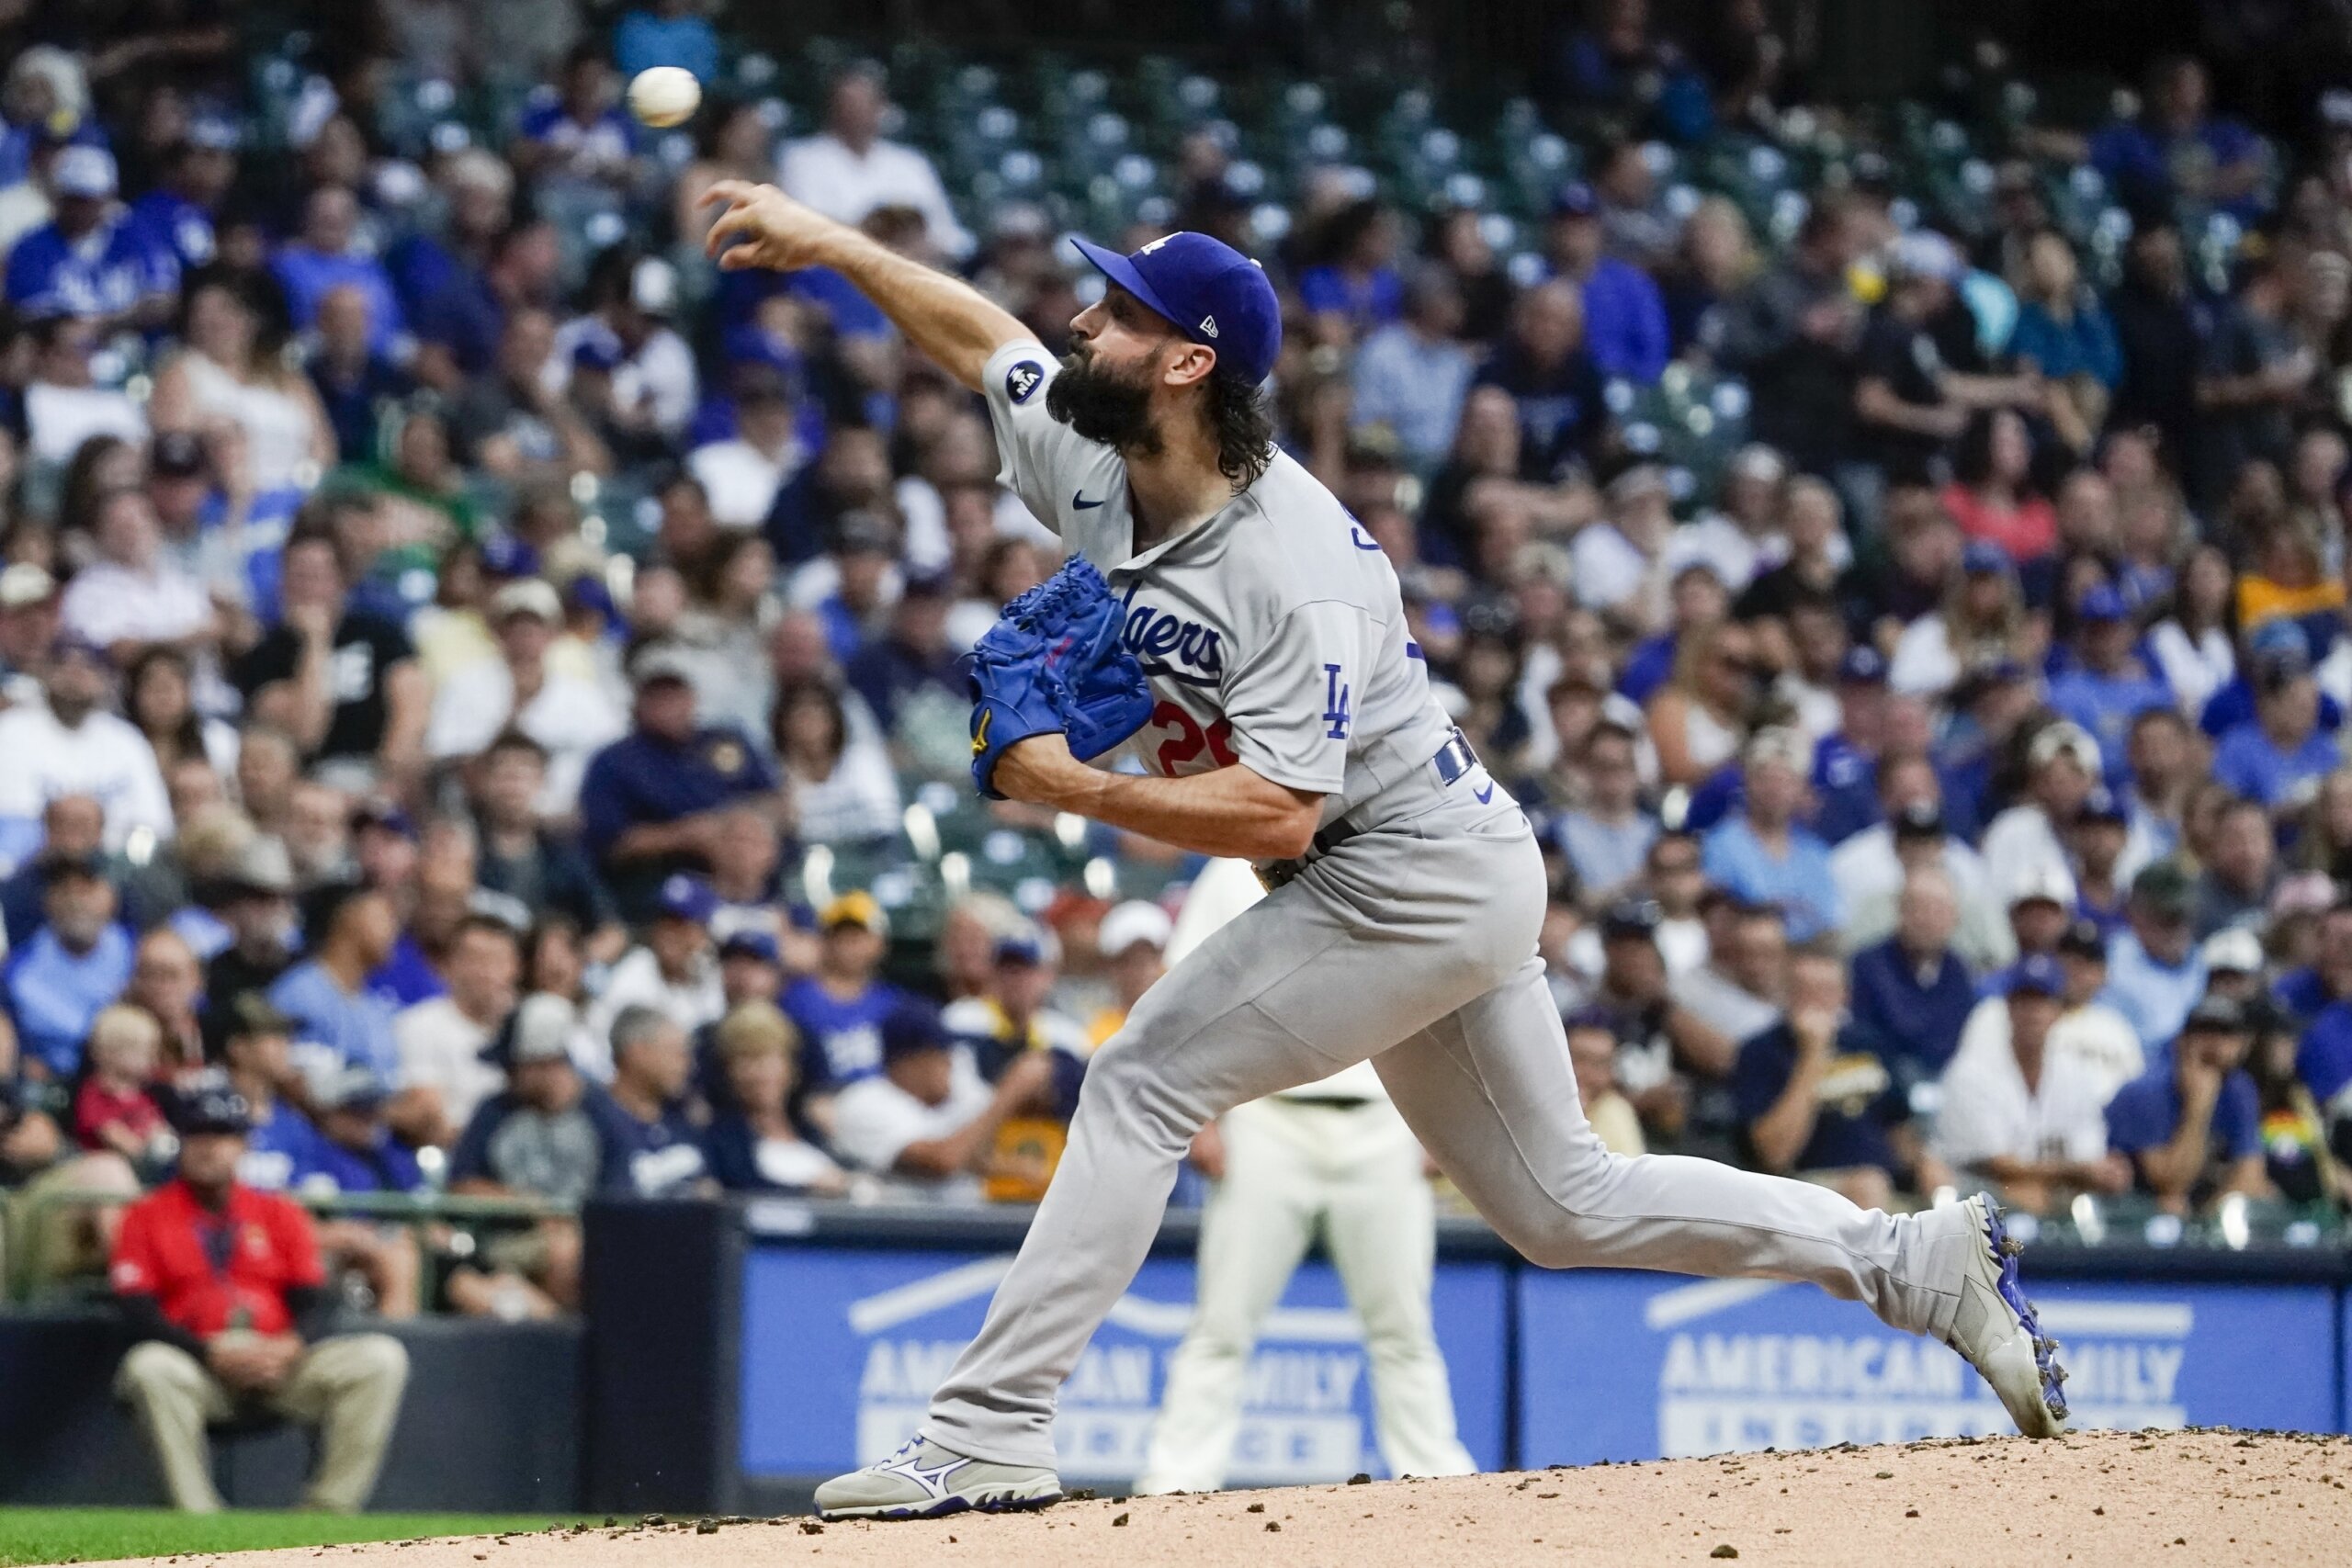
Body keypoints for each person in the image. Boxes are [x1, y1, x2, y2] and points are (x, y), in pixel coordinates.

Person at [695, 186, 2065, 1517]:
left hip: (1400, 863)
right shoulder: (1097, 450)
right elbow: (975, 338)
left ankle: (984, 1431)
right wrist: (827, 244)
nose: (1078, 323)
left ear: (1187, 361)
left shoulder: (1294, 563)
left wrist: (1069, 786)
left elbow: (1280, 812)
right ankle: (1914, 1261)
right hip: (1424, 862)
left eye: (1113, 312)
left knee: (1137, 1078)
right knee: (1561, 1200)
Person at [1136, 855, 1476, 1495]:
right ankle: (1175, 1481)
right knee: (1223, 1322)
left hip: (1387, 1117)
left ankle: (1434, 1479)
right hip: (1265, 1115)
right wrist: (1199, 1116)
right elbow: (1176, 987)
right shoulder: (1233, 866)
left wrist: (1445, 1117)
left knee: (1403, 1326)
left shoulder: (1392, 847)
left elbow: (1454, 986)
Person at [110, 1081, 410, 1514]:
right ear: (181, 1142)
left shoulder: (279, 1211)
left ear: (244, 1146)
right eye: (198, 1134)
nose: (210, 1147)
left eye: (223, 1135)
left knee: (381, 1357)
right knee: (148, 1366)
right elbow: (136, 1311)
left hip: (277, 1364)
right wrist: (207, 1352)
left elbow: (316, 1301)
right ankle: (199, 1520)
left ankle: (325, 1516)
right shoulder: (145, 1214)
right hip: (199, 1367)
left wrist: (289, 1347)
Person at [1732, 942, 1952, 1213]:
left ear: (1843, 996)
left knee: (1954, 1201)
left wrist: (1924, 1164)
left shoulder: (1869, 1043)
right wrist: (1812, 1055)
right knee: (1868, 1186)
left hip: (1884, 1185)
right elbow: (1773, 1154)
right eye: (1803, 991)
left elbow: (1898, 1127)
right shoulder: (1761, 1050)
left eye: (1824, 991)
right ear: (1785, 993)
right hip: (1800, 1192)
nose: (1814, 1002)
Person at [1931, 955, 2127, 1214]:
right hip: (1973, 1189)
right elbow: (1996, 1163)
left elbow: (2089, 1153)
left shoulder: (2074, 1071)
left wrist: (2101, 1172)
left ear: (2058, 1011)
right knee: (2024, 1196)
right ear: (2009, 1008)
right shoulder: (1972, 1069)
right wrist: (2078, 1170)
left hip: (2056, 1189)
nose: (2033, 1012)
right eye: (2024, 1002)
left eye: (2043, 1002)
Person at [827, 1000, 1056, 1204]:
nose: (950, 1063)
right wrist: (1013, 1088)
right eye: (940, 1055)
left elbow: (974, 1156)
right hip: (897, 1238)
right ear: (907, 1063)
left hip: (962, 1234)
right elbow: (942, 1162)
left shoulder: (950, 1099)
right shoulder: (865, 1102)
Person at [776, 63, 972, 261]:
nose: (856, 111)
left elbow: (949, 236)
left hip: (911, 273)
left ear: (881, 107)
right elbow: (807, 230)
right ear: (832, 106)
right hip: (838, 272)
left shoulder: (911, 162)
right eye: (848, 103)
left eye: (865, 102)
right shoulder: (801, 158)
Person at [0, 637, 173, 861]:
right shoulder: (11, 731)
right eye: (64, 664)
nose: (75, 675)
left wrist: (130, 865)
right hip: (35, 868)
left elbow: (153, 826)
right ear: (45, 672)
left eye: (88, 667)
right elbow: (10, 824)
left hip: (114, 869)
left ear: (106, 679)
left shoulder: (126, 740)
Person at [2105, 995, 2272, 1215]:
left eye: (2225, 1034)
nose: (2214, 1043)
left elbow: (2250, 1173)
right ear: (2182, 1040)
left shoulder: (2239, 1088)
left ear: (2241, 1045)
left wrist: (2208, 1222)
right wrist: (2198, 1108)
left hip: (2199, 1207)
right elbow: (2170, 1182)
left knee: (2264, 1195)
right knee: (2172, 1204)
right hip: (2129, 1203)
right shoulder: (2145, 1091)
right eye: (2203, 1032)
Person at [1699, 727, 1841, 942]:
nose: (1774, 790)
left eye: (1786, 781)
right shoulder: (1720, 844)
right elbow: (1717, 912)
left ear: (1800, 788)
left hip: (1807, 956)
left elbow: (1829, 919)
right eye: (1764, 779)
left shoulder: (1815, 851)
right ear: (1748, 782)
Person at [391, 914, 519, 1145]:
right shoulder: (420, 1025)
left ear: (515, 967)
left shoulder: (527, 1026)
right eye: (475, 959)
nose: (486, 972)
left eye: (497, 960)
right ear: (451, 964)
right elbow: (430, 1125)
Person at [6, 852, 134, 1081]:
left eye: (87, 888)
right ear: (48, 900)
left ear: (111, 897)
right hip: (47, 1084)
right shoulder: (17, 970)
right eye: (64, 889)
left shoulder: (140, 954)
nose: (76, 900)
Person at [1848, 867, 1977, 1087]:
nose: (1926, 920)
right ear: (1900, 912)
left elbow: (1959, 1035)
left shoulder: (1958, 969)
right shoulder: (1868, 965)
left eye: (1938, 910)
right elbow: (1872, 1037)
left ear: (1954, 917)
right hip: (1888, 1086)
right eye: (1917, 908)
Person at [700, 1000, 846, 1194]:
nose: (761, 1072)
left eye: (770, 1057)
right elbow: (742, 1194)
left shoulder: (811, 1130)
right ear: (727, 1072)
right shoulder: (722, 1140)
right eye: (746, 1060)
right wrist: (808, 1190)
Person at [266, 879, 402, 1086]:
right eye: (383, 918)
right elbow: (287, 1079)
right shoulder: (300, 994)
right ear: (349, 920)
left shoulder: (374, 1005)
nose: (393, 931)